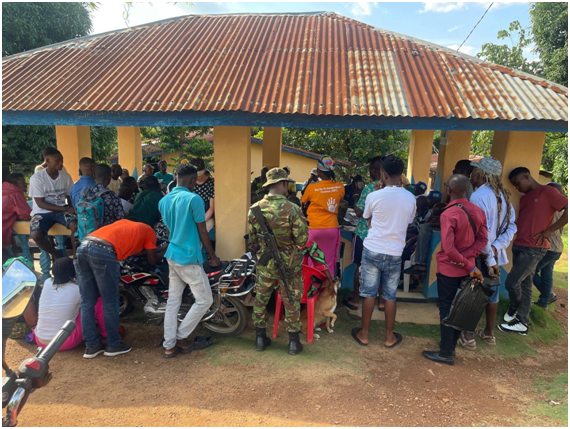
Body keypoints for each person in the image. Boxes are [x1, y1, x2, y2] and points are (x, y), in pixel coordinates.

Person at [422, 174, 488, 366]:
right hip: (468, 270)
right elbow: (483, 240)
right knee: (461, 308)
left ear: (448, 189)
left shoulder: (448, 214)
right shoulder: (478, 211)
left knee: (446, 308)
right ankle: (450, 347)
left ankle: (445, 353)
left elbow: (449, 250)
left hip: (449, 269)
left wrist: (465, 262)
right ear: (467, 190)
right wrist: (468, 259)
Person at [351, 155, 416, 349]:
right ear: (400, 174)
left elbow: (367, 219)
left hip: (372, 249)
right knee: (389, 295)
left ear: (383, 174)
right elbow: (408, 221)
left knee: (368, 294)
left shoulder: (373, 196)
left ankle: (364, 334)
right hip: (395, 252)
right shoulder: (410, 197)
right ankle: (389, 337)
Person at [158, 163, 221, 358]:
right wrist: (212, 257)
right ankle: (181, 337)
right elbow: (203, 230)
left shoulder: (164, 201)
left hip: (172, 255)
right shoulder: (194, 199)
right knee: (205, 300)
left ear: (176, 177)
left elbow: (169, 230)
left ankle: (169, 345)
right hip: (188, 258)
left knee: (173, 302)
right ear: (193, 180)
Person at [75, 219, 160, 358]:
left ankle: (91, 346)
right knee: (109, 301)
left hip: (83, 247)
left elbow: (130, 250)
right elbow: (152, 259)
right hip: (104, 252)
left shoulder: (126, 224)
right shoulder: (149, 231)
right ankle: (113, 344)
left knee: (87, 302)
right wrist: (160, 251)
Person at [498, 167, 568, 335]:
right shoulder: (525, 198)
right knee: (526, 284)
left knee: (512, 282)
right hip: (519, 245)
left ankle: (515, 308)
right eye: (514, 186)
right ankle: (523, 322)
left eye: (518, 183)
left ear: (527, 176)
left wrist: (550, 230)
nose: (517, 188)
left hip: (534, 248)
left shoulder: (548, 192)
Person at [248, 168, 309, 355]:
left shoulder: (255, 208)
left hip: (266, 263)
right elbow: (302, 240)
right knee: (291, 299)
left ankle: (260, 338)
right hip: (289, 263)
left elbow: (253, 240)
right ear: (282, 183)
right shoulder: (293, 209)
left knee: (261, 298)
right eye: (287, 184)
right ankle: (293, 342)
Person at [458, 157, 516, 350]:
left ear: (480, 174)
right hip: (494, 255)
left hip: (481, 255)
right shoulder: (504, 197)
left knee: (474, 293)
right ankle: (489, 333)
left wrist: (489, 255)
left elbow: (482, 232)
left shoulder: (478, 197)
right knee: (492, 294)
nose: (471, 176)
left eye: (474, 173)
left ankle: (468, 337)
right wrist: (496, 247)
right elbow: (511, 227)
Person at [32, 257, 108, 351]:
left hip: (40, 340)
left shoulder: (47, 282)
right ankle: (107, 335)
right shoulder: (77, 290)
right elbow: (94, 297)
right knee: (98, 303)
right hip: (64, 342)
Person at [342, 156, 383, 312]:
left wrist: (356, 194)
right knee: (381, 269)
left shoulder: (369, 188)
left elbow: (359, 212)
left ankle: (355, 300)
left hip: (364, 234)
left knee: (360, 267)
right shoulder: (390, 189)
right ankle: (381, 302)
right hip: (381, 236)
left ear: (373, 170)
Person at [28, 148, 78, 259]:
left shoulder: (65, 176)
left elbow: (69, 195)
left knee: (76, 227)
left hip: (61, 211)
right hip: (42, 212)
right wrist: (66, 209)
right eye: (57, 161)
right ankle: (56, 254)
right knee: (36, 235)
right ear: (47, 161)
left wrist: (72, 209)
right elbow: (40, 203)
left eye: (62, 160)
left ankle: (75, 258)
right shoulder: (37, 178)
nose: (61, 163)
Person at [301, 155, 345, 276]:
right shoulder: (340, 187)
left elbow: (303, 200)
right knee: (328, 262)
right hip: (331, 228)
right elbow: (341, 198)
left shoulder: (312, 188)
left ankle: (313, 286)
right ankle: (327, 286)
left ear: (319, 171)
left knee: (312, 261)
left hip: (315, 228)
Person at [533, 182, 565, 308]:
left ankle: (548, 295)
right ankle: (543, 301)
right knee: (547, 274)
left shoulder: (553, 207)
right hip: (557, 248)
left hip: (549, 247)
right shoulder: (562, 209)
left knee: (531, 271)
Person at [2, 173, 32, 263]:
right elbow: (25, 213)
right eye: (22, 182)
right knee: (7, 263)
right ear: (14, 184)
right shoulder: (15, 192)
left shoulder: (3, 189)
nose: (25, 184)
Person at [192, 158, 216, 234]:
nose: (197, 176)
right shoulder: (190, 183)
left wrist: (200, 222)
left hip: (207, 216)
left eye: (199, 173)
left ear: (205, 170)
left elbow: (211, 208)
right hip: (193, 216)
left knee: (201, 231)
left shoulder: (211, 183)